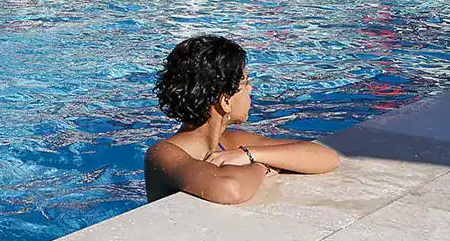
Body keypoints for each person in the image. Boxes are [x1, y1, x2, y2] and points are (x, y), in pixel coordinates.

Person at [145, 35, 340, 204]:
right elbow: (231, 188)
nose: (250, 89)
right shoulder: (164, 153)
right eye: (245, 83)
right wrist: (261, 165)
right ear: (225, 101)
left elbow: (325, 157)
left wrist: (250, 154)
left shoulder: (231, 141)